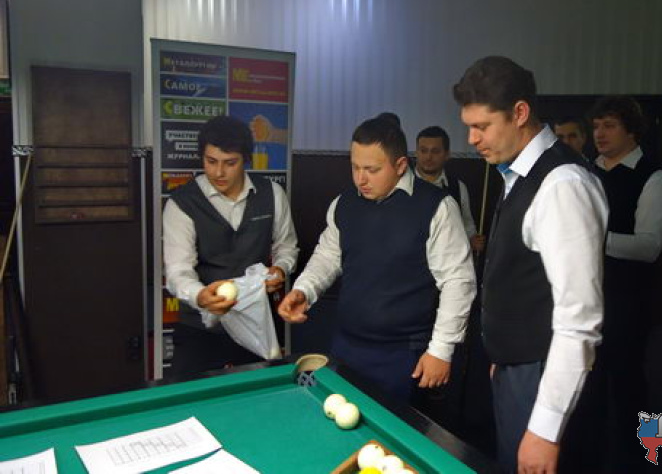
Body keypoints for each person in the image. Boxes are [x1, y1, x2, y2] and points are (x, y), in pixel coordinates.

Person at [453, 56, 608, 473]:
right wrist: (503, 356)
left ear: (519, 113)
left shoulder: (563, 184)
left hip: (544, 376)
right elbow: (523, 280)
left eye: (482, 126)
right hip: (518, 365)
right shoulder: (520, 173)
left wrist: (545, 429)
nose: (471, 138)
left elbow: (579, 319)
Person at [277, 117, 477, 401]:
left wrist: (441, 350)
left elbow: (458, 281)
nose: (361, 179)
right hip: (346, 343)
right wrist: (304, 290)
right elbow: (328, 256)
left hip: (405, 353)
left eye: (372, 170)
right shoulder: (344, 203)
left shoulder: (437, 206)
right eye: (355, 167)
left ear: (400, 165)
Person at [163, 115, 299, 376]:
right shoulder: (181, 203)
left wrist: (281, 269)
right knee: (187, 393)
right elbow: (178, 271)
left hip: (256, 322)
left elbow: (287, 247)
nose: (218, 172)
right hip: (200, 328)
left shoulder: (272, 194)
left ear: (246, 159)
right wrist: (200, 296)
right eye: (211, 161)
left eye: (230, 163)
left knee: (263, 394)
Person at [589, 95, 662, 472]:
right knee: (587, 383)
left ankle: (636, 457)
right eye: (596, 126)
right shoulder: (586, 172)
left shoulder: (653, 178)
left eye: (609, 126)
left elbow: (648, 246)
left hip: (627, 299)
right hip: (587, 295)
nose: (599, 133)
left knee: (627, 381)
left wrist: (591, 239)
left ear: (632, 131)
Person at [415, 126, 485, 253]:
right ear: (416, 153)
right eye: (423, 151)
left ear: (447, 154)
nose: (428, 157)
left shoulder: (458, 187)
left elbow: (467, 224)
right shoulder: (402, 185)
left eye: (435, 151)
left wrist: (472, 239)